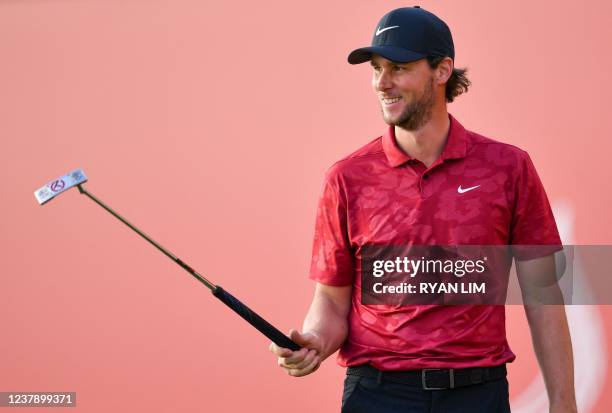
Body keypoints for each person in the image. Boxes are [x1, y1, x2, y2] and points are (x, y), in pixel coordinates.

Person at [269, 6, 577, 413]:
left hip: (477, 394)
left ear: (442, 70)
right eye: (376, 68)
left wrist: (563, 402)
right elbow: (330, 299)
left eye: (398, 67)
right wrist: (314, 341)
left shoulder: (508, 168)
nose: (382, 82)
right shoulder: (347, 178)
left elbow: (542, 292)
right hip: (377, 395)